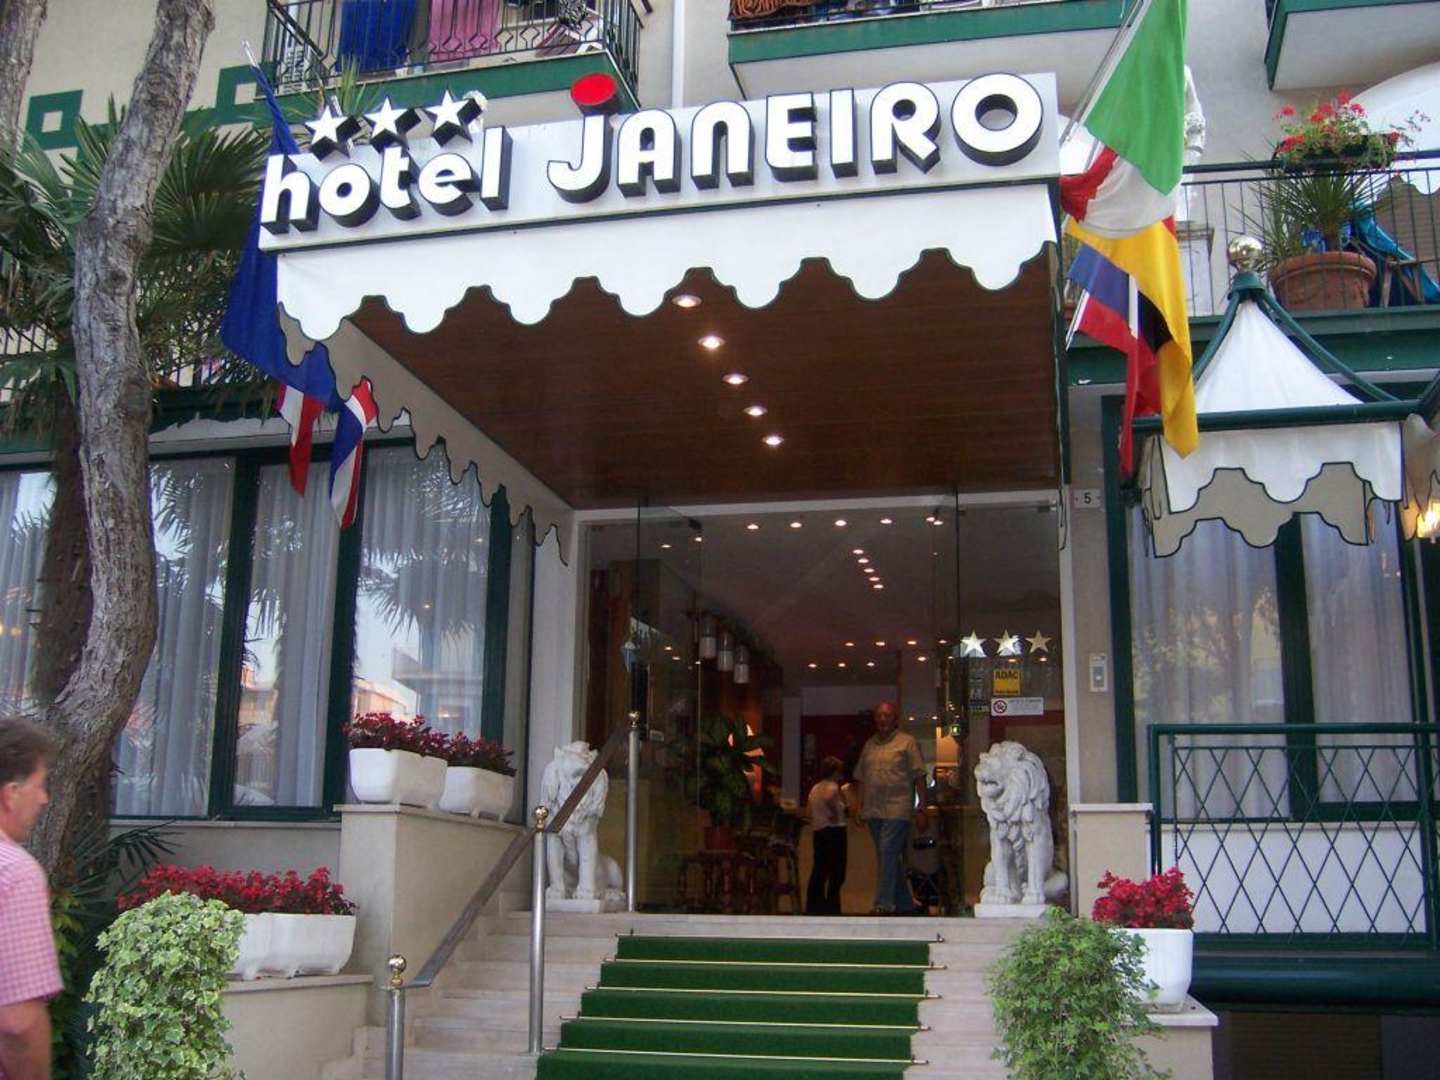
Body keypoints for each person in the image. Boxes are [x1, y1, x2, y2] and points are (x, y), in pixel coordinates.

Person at [0, 717, 60, 1080]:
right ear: (11, 793)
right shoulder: (14, 873)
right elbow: (19, 1022)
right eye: (39, 785)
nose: (44, 798)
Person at [853, 702, 927, 914]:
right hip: (873, 810)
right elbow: (861, 778)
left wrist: (921, 808)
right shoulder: (869, 745)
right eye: (879, 715)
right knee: (888, 856)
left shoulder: (907, 742)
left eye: (887, 715)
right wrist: (858, 806)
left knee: (887, 851)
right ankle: (905, 903)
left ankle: (883, 903)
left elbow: (919, 776)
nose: (883, 719)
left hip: (898, 808)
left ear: (895, 719)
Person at [804, 757, 847, 915]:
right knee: (837, 872)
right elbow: (829, 798)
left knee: (819, 870)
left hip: (819, 832)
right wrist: (834, 812)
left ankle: (815, 906)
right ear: (834, 772)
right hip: (835, 832)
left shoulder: (815, 788)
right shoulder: (832, 787)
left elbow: (808, 811)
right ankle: (832, 907)